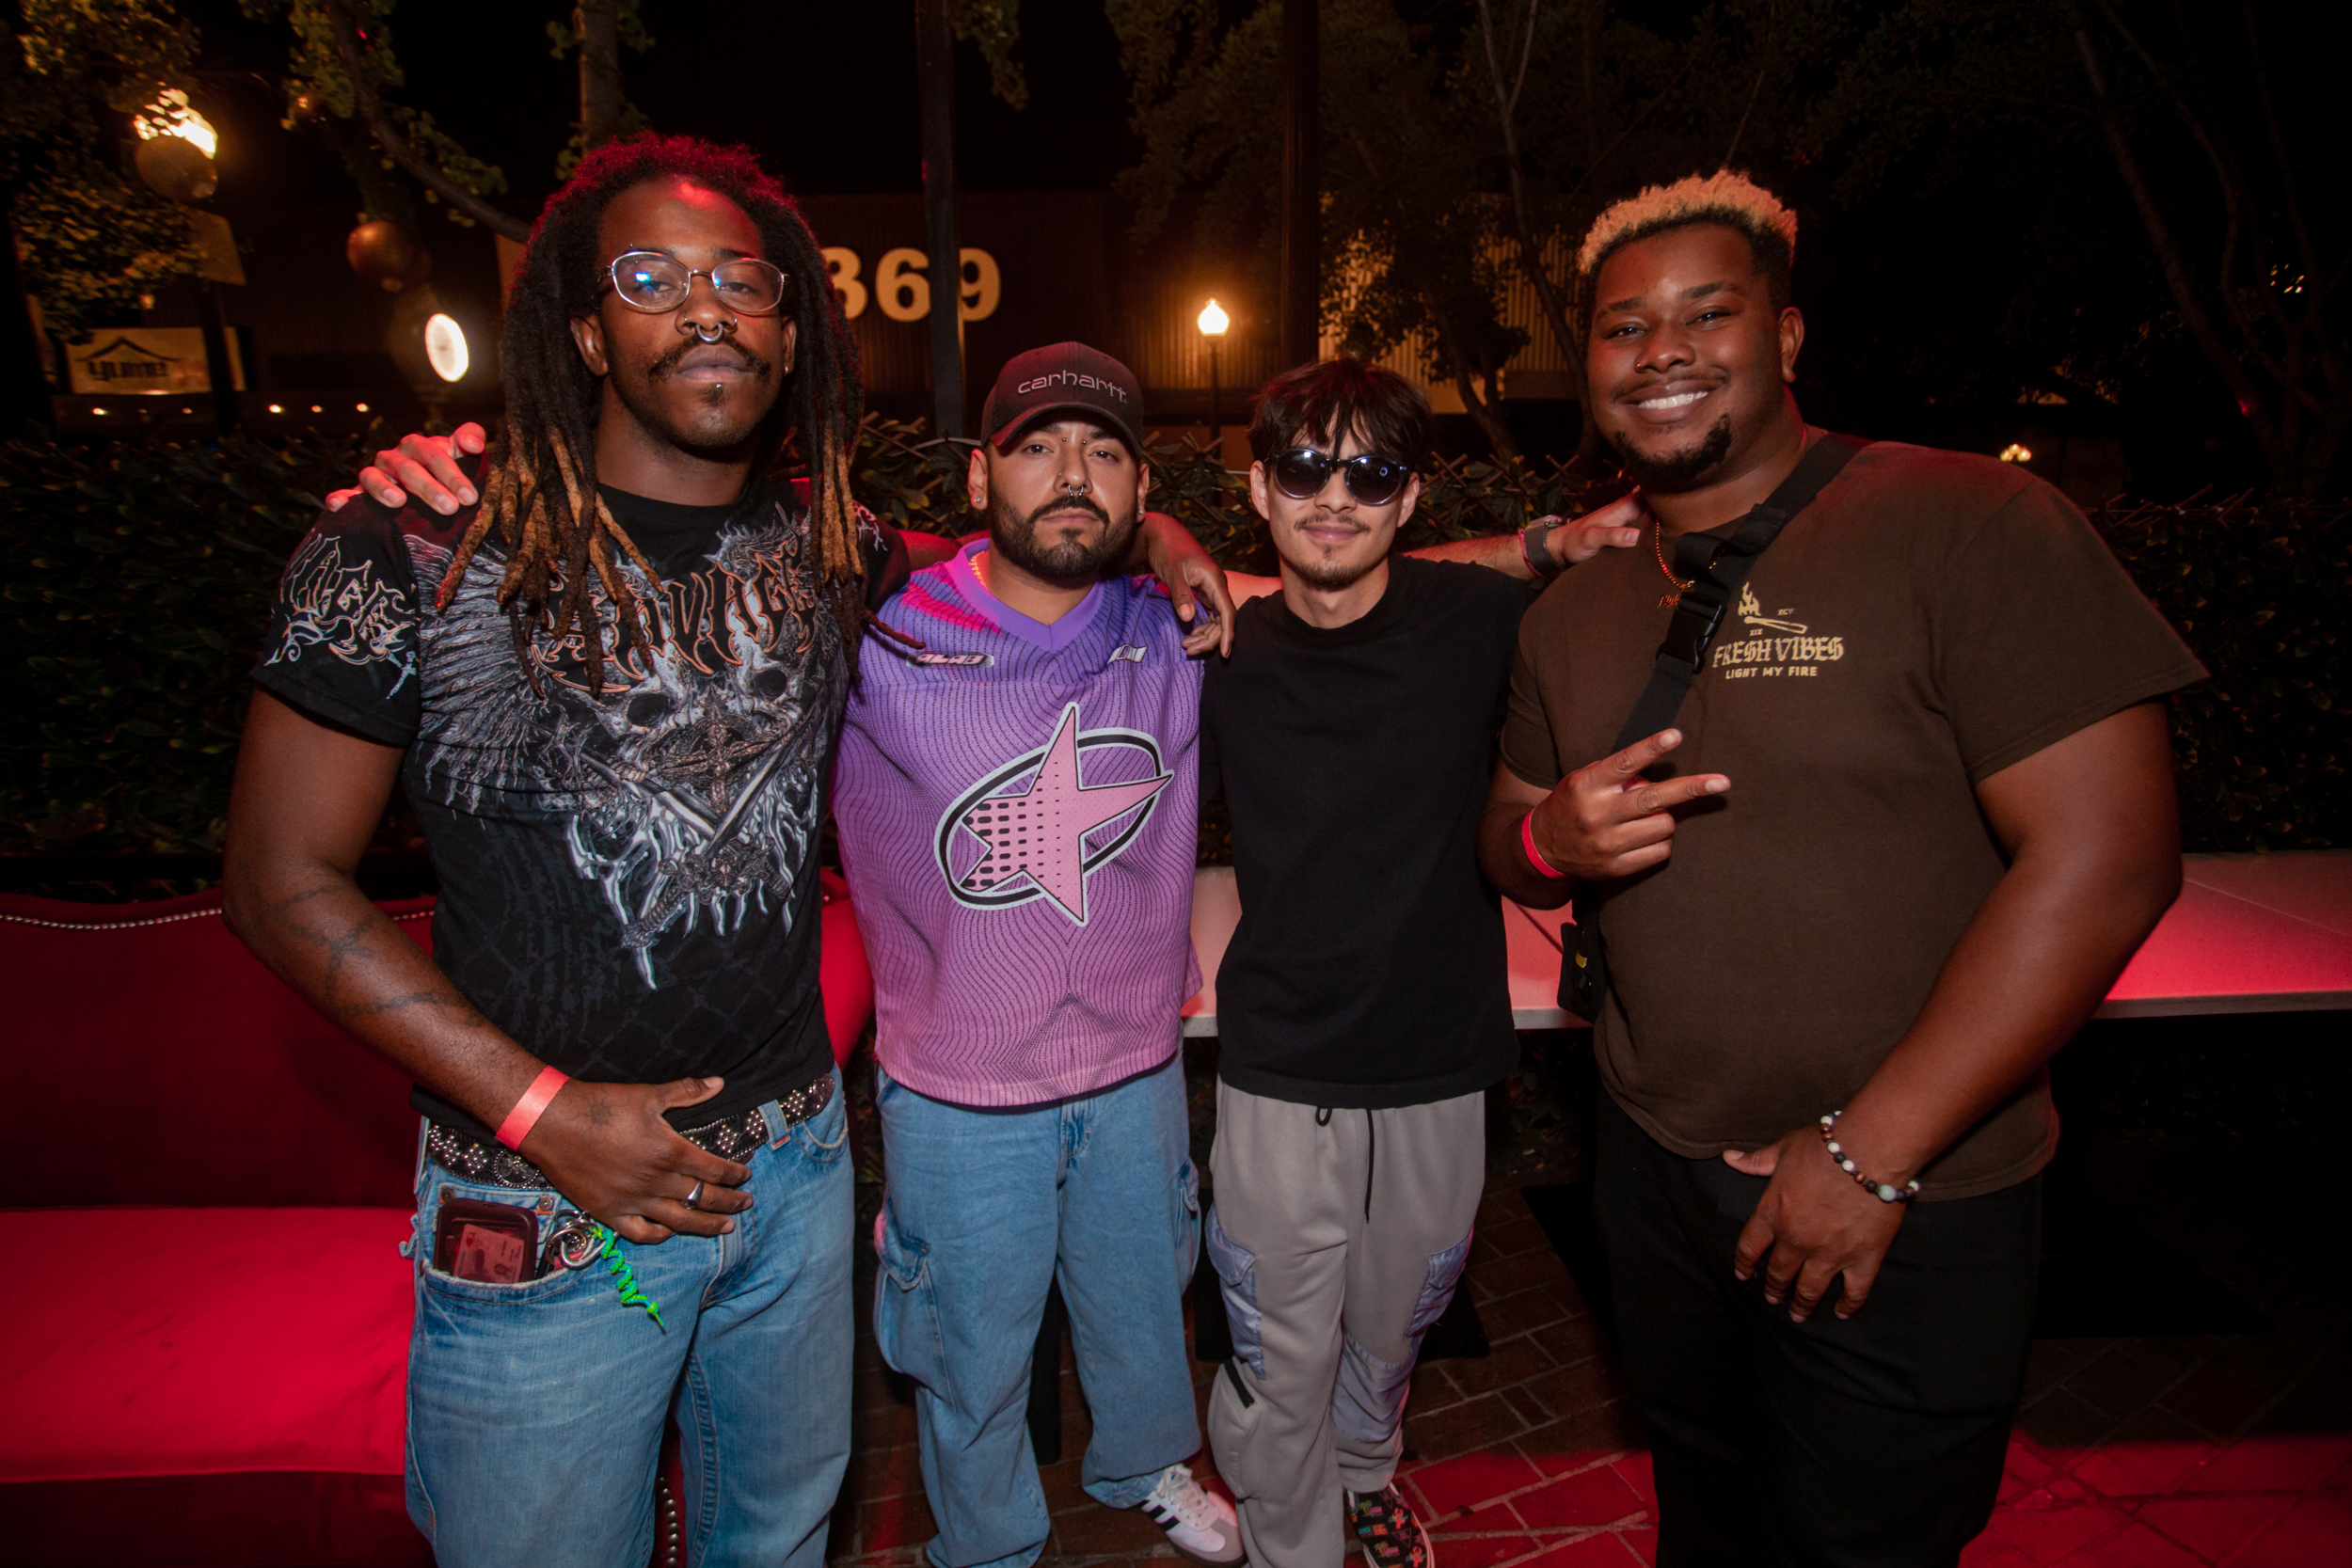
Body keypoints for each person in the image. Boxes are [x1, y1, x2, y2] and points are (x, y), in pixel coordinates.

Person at [226, 136, 1224, 1566]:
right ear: (586, 330)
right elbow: (277, 881)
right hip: (547, 1200)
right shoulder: (419, 546)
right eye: (651, 277)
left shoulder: (827, 544)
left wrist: (1167, 530)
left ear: (788, 329)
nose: (705, 308)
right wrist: (541, 1111)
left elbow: (1030, 548)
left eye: (741, 282)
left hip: (793, 1171)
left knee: (780, 1537)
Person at [1476, 171, 2204, 1565]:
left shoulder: (1965, 522)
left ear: (1788, 335)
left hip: (1905, 1191)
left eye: (1707, 313)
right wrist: (1547, 841)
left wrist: (1867, 1154)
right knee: (1707, 1520)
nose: (1663, 350)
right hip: (1656, 1170)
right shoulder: (1572, 613)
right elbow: (1504, 837)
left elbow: (2111, 857)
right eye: (1625, 328)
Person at [1197, 357, 1643, 1568]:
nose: (1333, 496)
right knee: (1277, 1345)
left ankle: (1364, 1470)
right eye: (1304, 468)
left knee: (1396, 1324)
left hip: (1440, 1056)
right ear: (1259, 489)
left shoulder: (1481, 621)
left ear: (1407, 497)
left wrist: (1549, 543)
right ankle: (1292, 1542)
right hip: (1279, 1061)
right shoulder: (1219, 641)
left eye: (1370, 471)